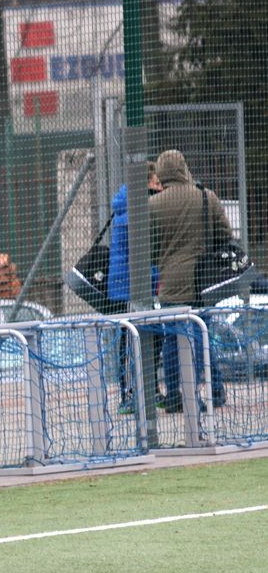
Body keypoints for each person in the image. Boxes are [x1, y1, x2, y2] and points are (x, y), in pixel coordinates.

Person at [148, 150, 228, 413]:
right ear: (184, 167)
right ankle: (215, 390)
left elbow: (146, 249)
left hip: (170, 282)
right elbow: (225, 235)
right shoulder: (206, 196)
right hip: (202, 281)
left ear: (160, 172)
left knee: (174, 340)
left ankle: (177, 395)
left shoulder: (153, 205)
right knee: (203, 334)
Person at [105, 163, 161, 415]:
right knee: (130, 338)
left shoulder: (129, 205)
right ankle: (129, 393)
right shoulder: (132, 210)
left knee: (145, 335)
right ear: (146, 182)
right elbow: (140, 253)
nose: (160, 187)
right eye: (156, 183)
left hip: (134, 283)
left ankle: (145, 388)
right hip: (129, 286)